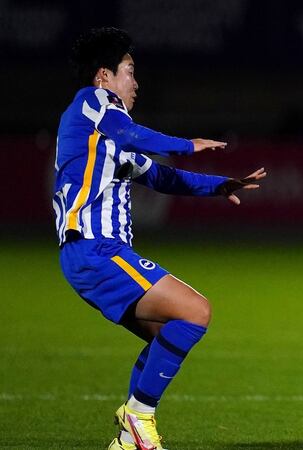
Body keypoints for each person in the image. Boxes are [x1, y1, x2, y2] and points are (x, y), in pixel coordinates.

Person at [53, 27, 266, 450]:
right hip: (96, 250)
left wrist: (219, 186)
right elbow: (133, 135)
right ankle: (138, 416)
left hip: (88, 256)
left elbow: (160, 176)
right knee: (195, 310)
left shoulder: (104, 139)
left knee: (169, 331)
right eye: (129, 71)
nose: (135, 82)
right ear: (103, 76)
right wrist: (187, 143)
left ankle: (129, 440)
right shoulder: (94, 103)